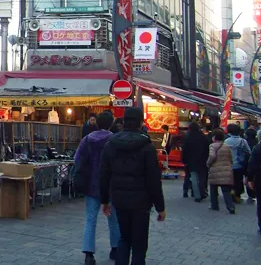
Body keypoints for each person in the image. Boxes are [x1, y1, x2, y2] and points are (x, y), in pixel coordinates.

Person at [99, 107, 165, 265]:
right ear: (141, 123)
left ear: (123, 122)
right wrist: (160, 207)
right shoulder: (147, 147)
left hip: (120, 200)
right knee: (139, 243)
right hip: (142, 202)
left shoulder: (111, 145)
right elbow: (154, 179)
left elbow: (103, 174)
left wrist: (105, 200)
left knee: (124, 239)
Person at [74, 111, 119, 264]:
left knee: (90, 219)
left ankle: (88, 254)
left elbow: (77, 159)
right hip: (111, 184)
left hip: (91, 184)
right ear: (111, 124)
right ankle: (115, 248)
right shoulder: (115, 140)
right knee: (114, 218)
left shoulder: (87, 140)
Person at [206, 129, 235, 214]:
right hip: (226, 171)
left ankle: (214, 205)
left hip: (215, 170)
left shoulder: (212, 146)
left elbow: (212, 156)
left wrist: (208, 163)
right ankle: (230, 207)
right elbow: (231, 159)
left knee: (213, 189)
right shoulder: (227, 146)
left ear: (214, 137)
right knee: (226, 191)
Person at [181, 122, 210, 202]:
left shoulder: (187, 137)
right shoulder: (204, 137)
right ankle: (202, 192)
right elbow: (207, 149)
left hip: (191, 161)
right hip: (202, 161)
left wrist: (184, 160)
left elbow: (184, 150)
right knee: (202, 178)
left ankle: (197, 195)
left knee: (193, 178)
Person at [225, 123, 252, 203]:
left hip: (229, 164)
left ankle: (232, 191)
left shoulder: (226, 141)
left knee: (231, 180)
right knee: (238, 180)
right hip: (240, 164)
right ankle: (237, 195)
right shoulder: (243, 141)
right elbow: (249, 152)